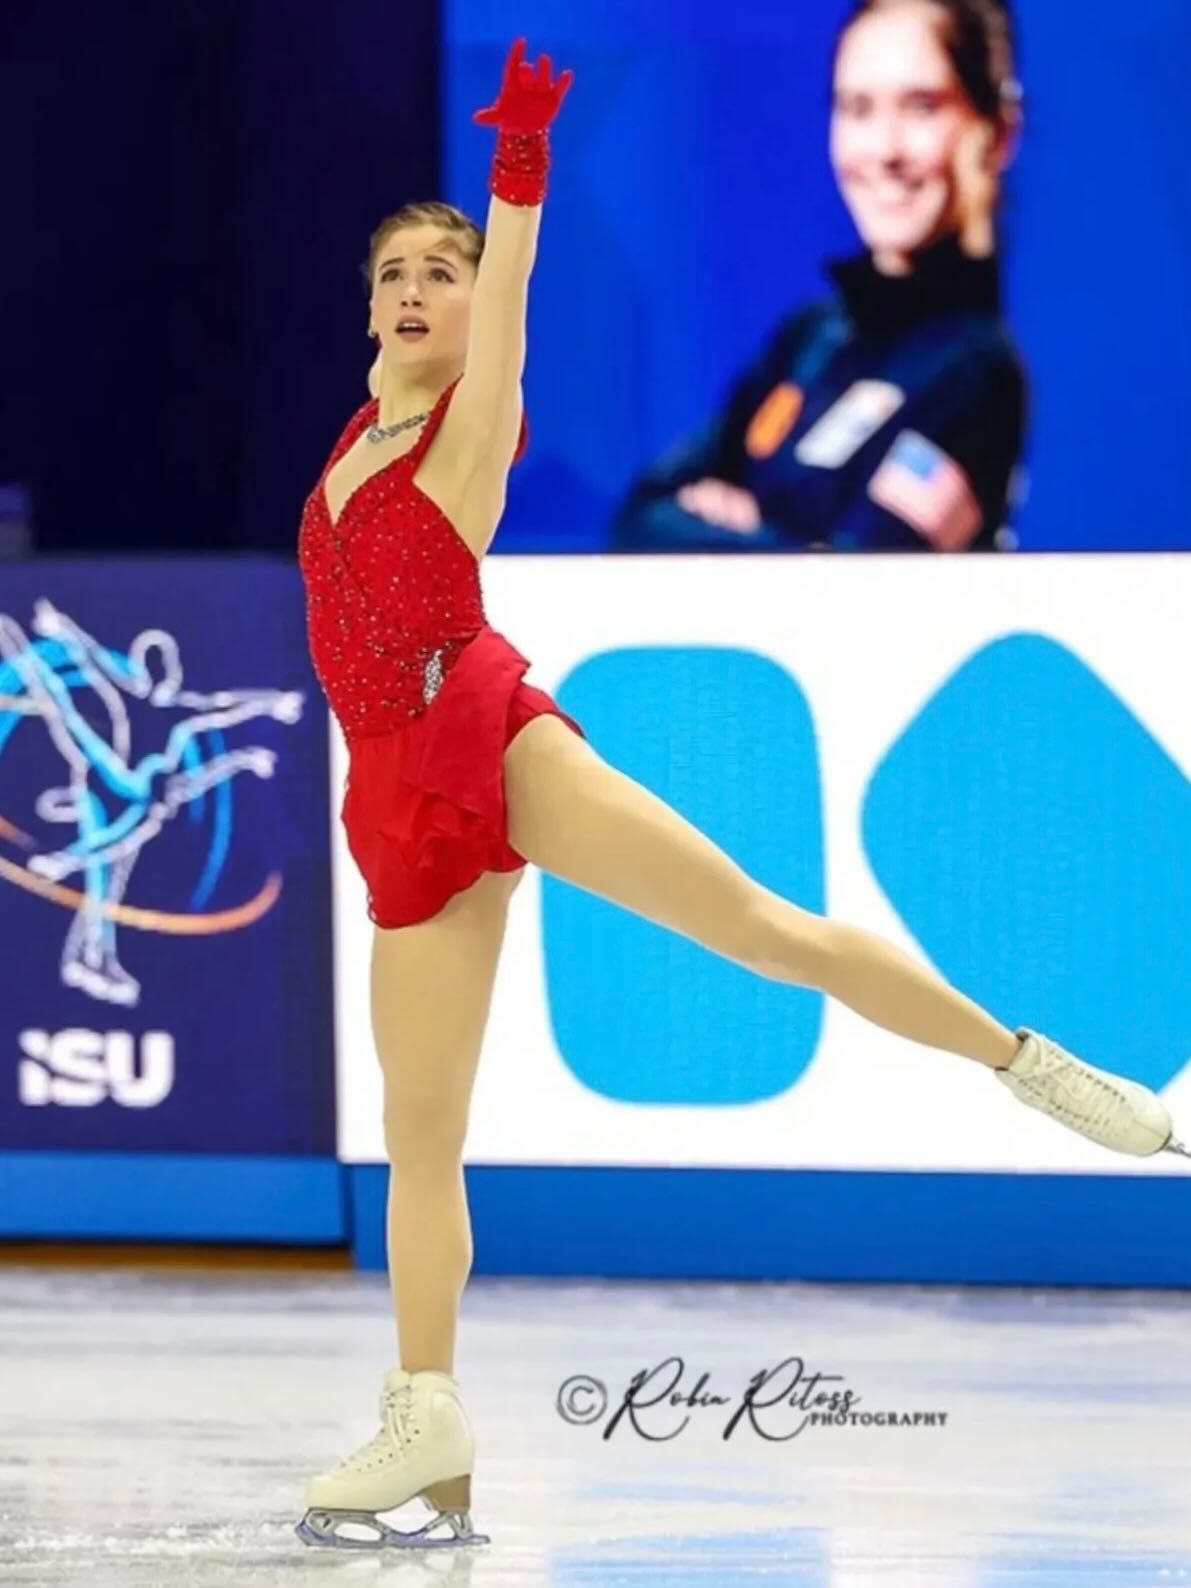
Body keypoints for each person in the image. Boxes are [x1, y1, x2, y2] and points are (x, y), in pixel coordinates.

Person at [294, 37, 1183, 1554]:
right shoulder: (353, 440)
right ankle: (427, 1425)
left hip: (487, 742)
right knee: (417, 1130)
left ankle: (1031, 1064)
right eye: (396, 274)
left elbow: (510, 291)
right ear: (369, 305)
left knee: (766, 930)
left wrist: (516, 172)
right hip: (387, 791)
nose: (418, 292)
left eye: (442, 274)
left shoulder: (464, 431)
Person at [613, 0, 1026, 554]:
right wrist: (797, 548)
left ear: (997, 134)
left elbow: (862, 583)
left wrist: (743, 531)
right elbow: (639, 520)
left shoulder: (975, 372)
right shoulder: (807, 341)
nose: (885, 150)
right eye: (858, 109)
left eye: (922, 107)